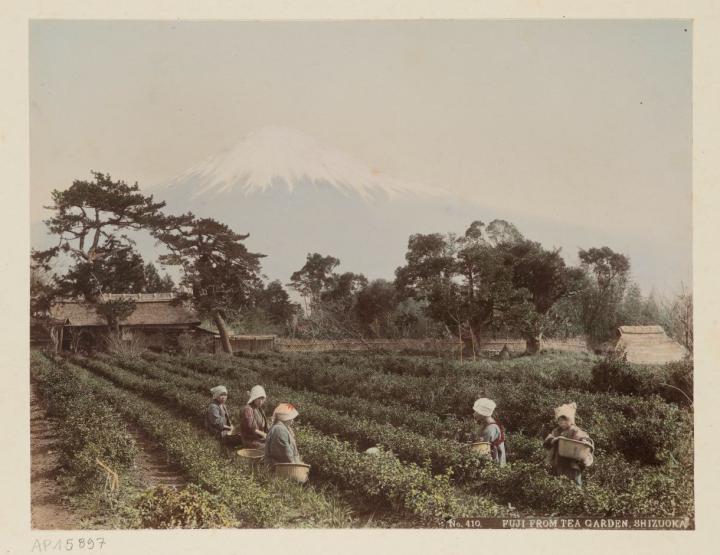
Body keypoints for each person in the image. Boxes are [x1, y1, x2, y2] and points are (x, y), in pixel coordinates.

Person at [543, 402, 594, 487]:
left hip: (572, 461)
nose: (562, 423)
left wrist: (585, 441)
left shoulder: (575, 430)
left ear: (571, 421)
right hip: (559, 460)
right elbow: (548, 440)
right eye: (560, 421)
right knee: (559, 482)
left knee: (574, 481)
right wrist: (553, 440)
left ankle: (578, 496)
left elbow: (582, 438)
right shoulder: (556, 431)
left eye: (565, 421)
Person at [472, 397, 507, 466]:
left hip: (494, 463)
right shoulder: (485, 425)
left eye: (476, 412)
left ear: (483, 413)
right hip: (489, 460)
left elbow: (482, 447)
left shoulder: (491, 428)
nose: (474, 414)